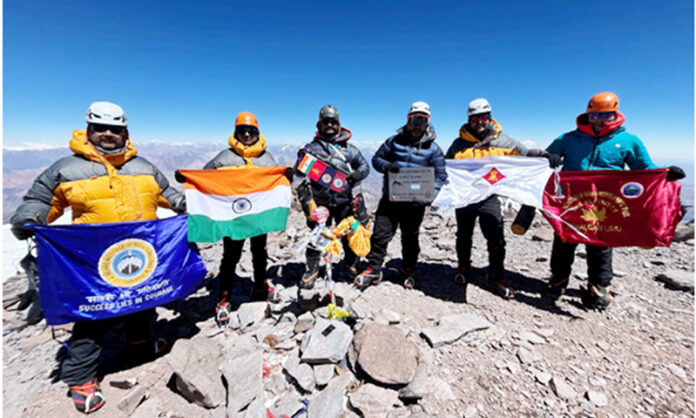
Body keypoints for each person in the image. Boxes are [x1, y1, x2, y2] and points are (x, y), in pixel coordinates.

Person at [10, 101, 186, 415]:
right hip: (94, 257)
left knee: (141, 299)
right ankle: (80, 378)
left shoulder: (144, 166)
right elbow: (40, 199)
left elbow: (167, 194)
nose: (108, 134)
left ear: (125, 132)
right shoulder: (66, 168)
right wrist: (30, 217)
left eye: (115, 129)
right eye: (100, 128)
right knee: (94, 314)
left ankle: (140, 342)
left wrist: (185, 204)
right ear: (88, 130)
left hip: (141, 251)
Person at [545, 92, 685, 310]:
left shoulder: (629, 141)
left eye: (606, 115)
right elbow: (545, 158)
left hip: (606, 201)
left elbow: (644, 169)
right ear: (587, 114)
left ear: (615, 114)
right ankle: (558, 279)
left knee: (601, 241)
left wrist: (665, 174)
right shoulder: (568, 139)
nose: (599, 120)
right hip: (573, 199)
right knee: (564, 238)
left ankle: (599, 285)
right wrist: (548, 157)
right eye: (595, 115)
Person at [444, 98, 557, 299]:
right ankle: (463, 268)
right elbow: (447, 166)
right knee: (463, 235)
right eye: (475, 118)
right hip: (465, 197)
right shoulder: (458, 144)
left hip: (489, 196)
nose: (479, 122)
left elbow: (526, 154)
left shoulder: (504, 141)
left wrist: (544, 156)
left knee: (496, 237)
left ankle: (496, 277)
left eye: (483, 118)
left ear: (490, 118)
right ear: (469, 119)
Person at [355, 101, 447, 289]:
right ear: (407, 120)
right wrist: (387, 166)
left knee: (410, 238)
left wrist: (430, 196)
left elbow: (440, 176)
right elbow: (376, 159)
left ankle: (409, 269)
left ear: (427, 123)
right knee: (380, 235)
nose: (416, 126)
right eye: (414, 120)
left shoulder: (434, 149)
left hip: (415, 203)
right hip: (391, 199)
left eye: (421, 121)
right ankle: (373, 268)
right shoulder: (393, 141)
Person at [203, 112, 282, 324]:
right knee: (230, 256)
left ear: (258, 132)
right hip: (233, 217)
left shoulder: (266, 158)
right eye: (242, 131)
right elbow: (205, 176)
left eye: (251, 131)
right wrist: (188, 179)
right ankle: (224, 297)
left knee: (259, 252)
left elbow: (277, 180)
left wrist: (287, 177)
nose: (247, 134)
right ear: (236, 132)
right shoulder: (224, 157)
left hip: (258, 216)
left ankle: (260, 286)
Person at [294, 105, 370, 289]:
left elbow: (365, 167)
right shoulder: (310, 149)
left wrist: (357, 175)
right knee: (316, 236)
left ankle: (352, 266)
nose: (329, 125)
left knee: (349, 234)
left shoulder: (350, 150)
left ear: (339, 125)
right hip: (319, 203)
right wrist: (300, 160)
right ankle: (312, 270)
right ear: (318, 124)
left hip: (345, 201)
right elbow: (298, 173)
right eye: (325, 121)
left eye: (333, 122)